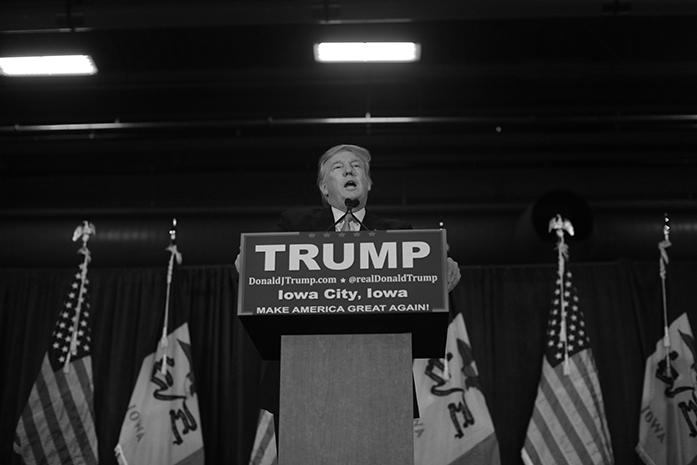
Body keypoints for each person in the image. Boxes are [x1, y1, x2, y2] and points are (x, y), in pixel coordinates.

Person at [277, 143, 461, 291]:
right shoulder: (296, 225)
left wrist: (436, 268)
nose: (349, 171)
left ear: (369, 184)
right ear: (324, 188)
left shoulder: (398, 232)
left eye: (356, 166)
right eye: (338, 167)